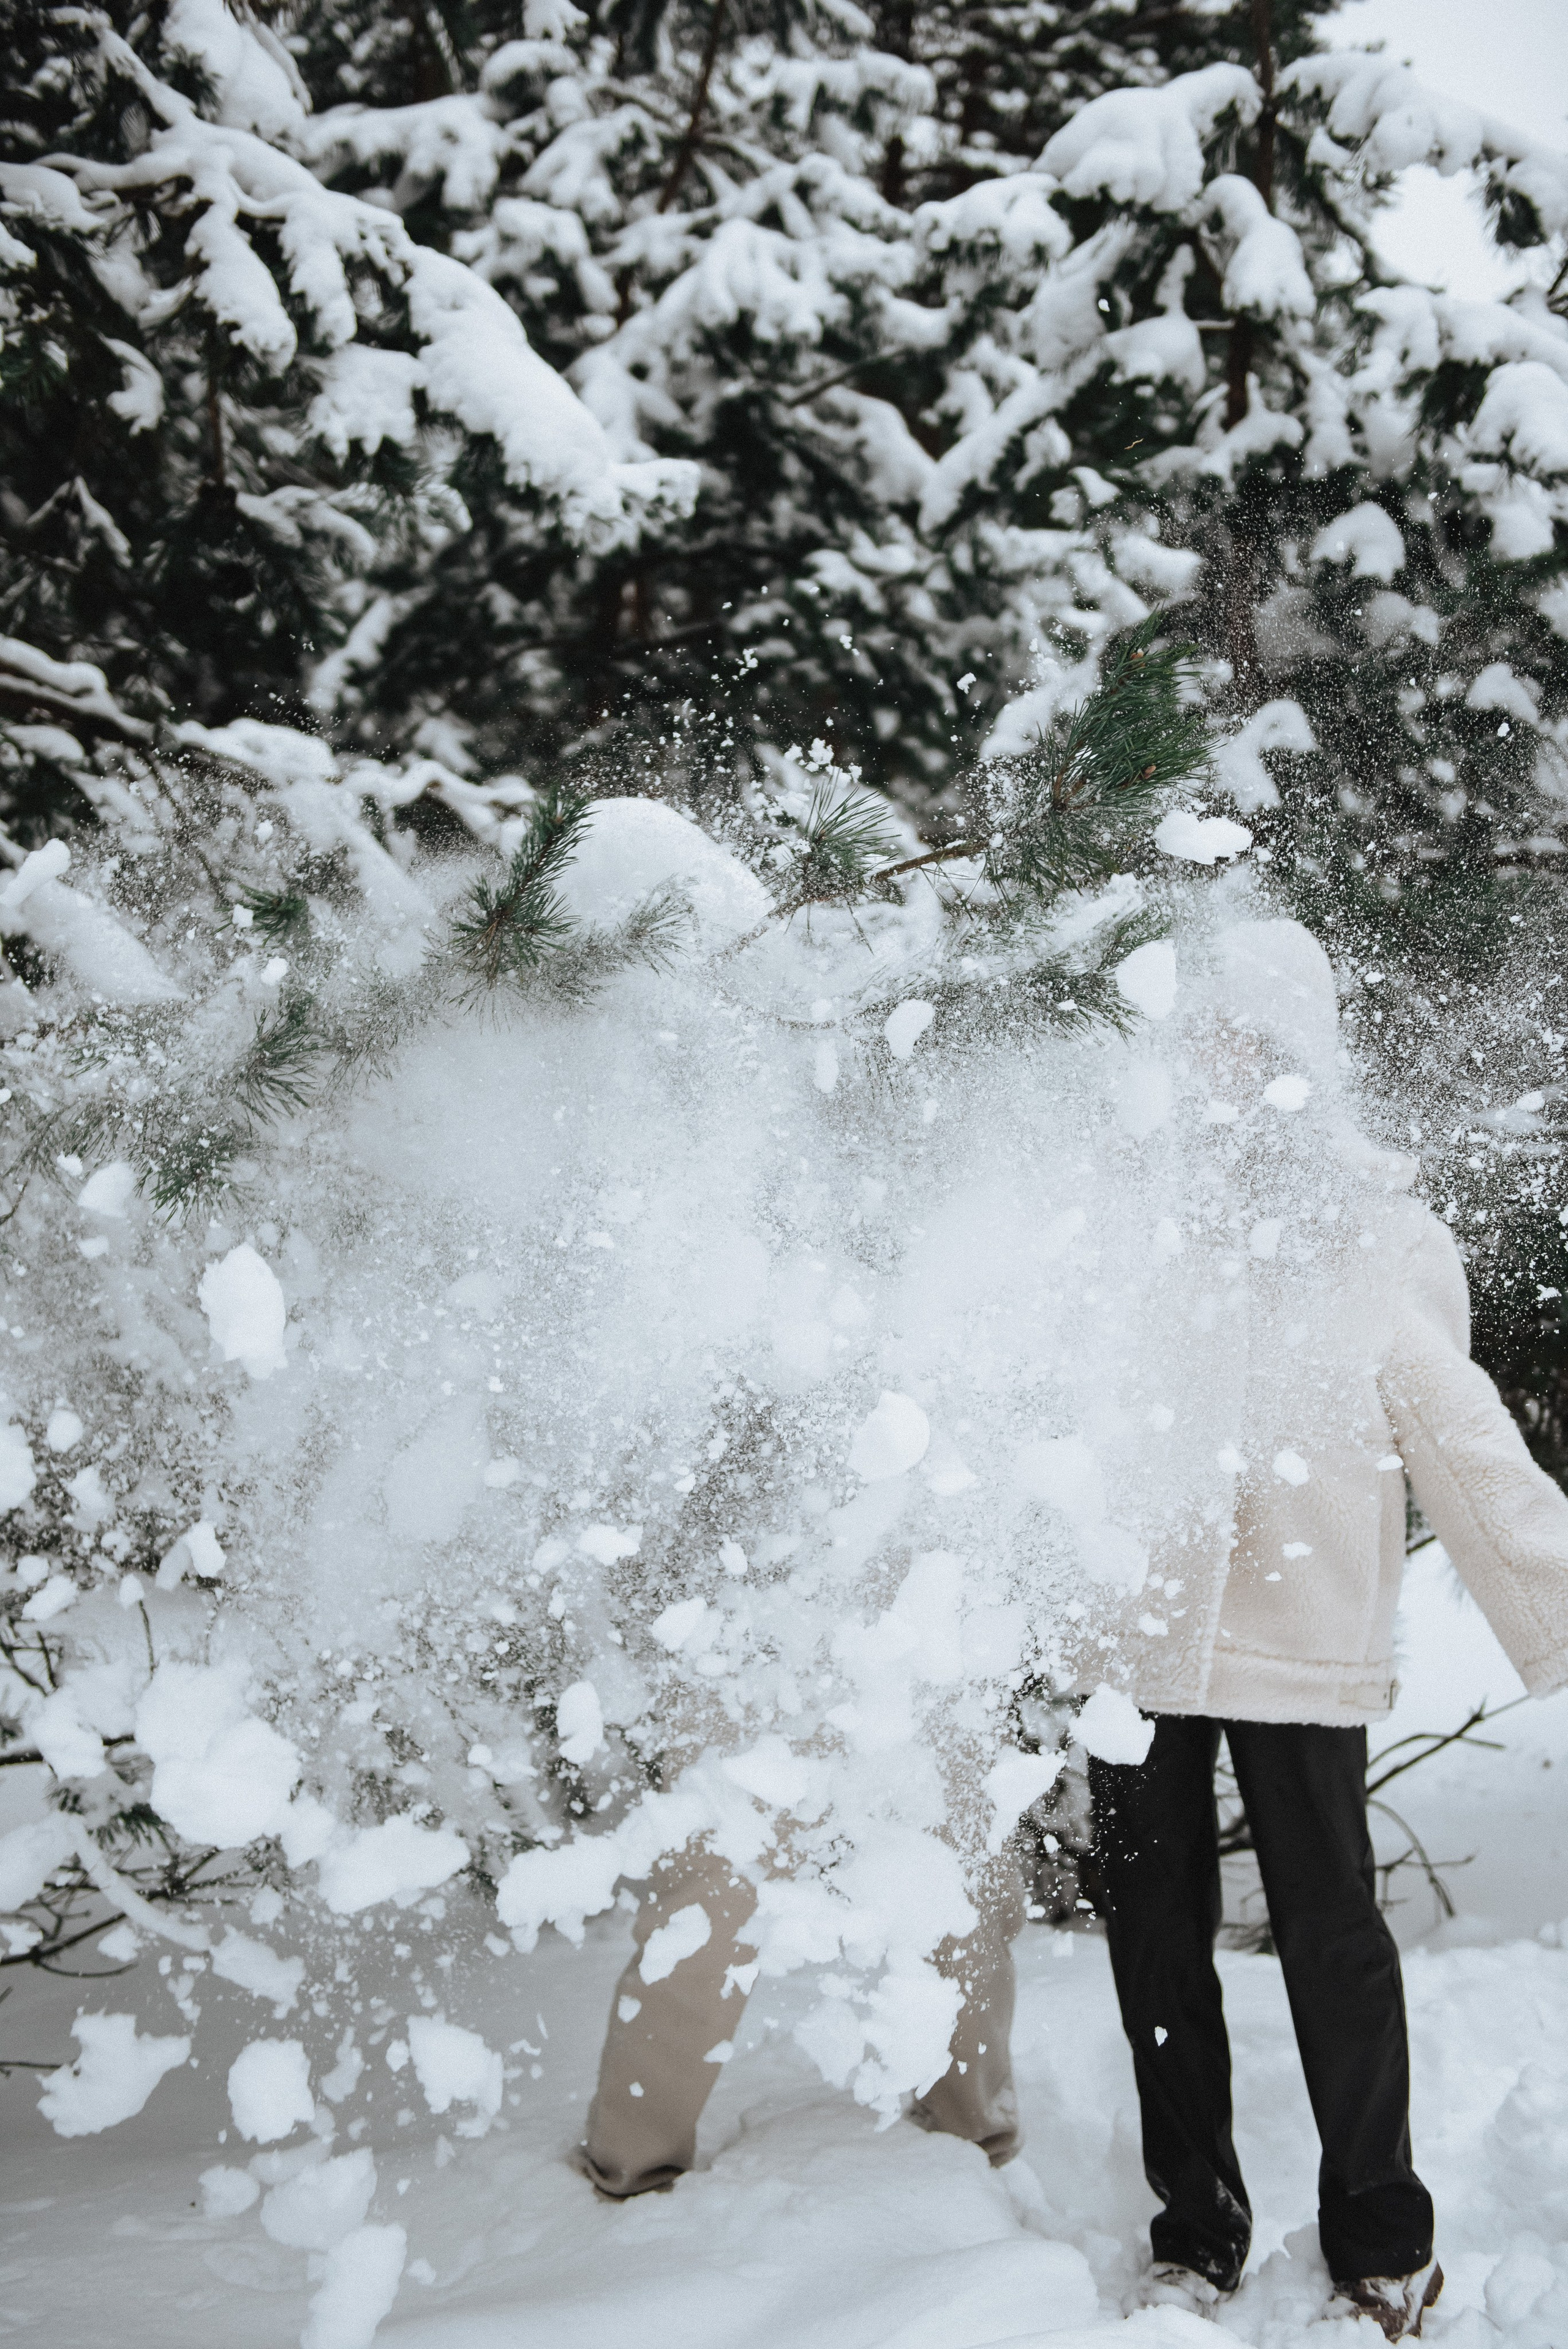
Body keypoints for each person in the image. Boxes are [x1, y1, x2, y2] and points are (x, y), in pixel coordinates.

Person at [1090, 918, 1568, 2339]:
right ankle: (1197, 2222)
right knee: (1150, 1935)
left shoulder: (1379, 1238)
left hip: (1297, 1640)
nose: (1223, 1066)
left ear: (1303, 1055)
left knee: (1330, 1934)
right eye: (1204, 1039)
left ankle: (1378, 2231)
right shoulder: (1122, 1210)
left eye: (1252, 1040)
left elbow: (1464, 1443)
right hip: (1133, 1639)